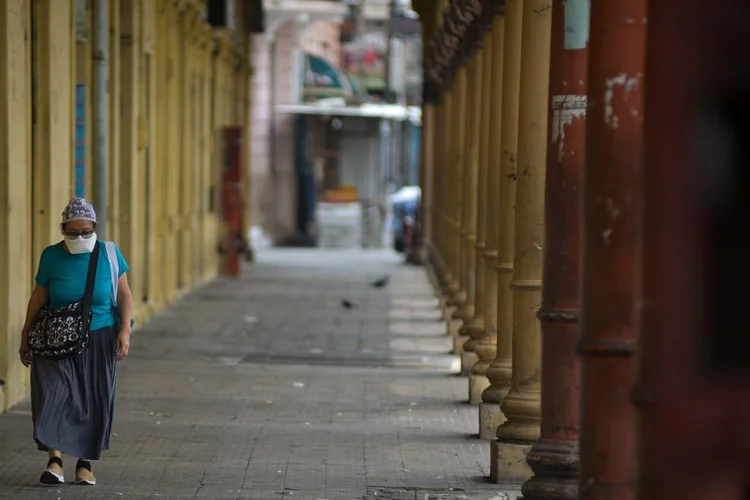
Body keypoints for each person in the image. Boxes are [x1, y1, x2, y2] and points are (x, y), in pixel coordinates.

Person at [17, 197, 133, 486]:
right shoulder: (51, 256)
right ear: (62, 230)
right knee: (52, 394)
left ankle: (85, 464)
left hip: (100, 334)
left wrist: (124, 332)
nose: (79, 236)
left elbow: (125, 294)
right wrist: (25, 334)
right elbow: (39, 297)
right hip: (55, 336)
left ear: (94, 227)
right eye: (72, 232)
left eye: (85, 231)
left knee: (93, 399)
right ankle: (54, 460)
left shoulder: (109, 253)